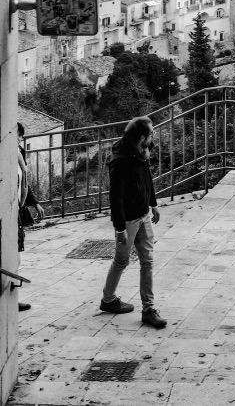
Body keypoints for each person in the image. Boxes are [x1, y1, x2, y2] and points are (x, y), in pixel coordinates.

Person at [98, 116, 164, 329]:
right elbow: (115, 197)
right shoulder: (121, 160)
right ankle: (108, 300)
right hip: (128, 220)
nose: (153, 137)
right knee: (121, 261)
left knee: (147, 260)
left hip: (143, 214)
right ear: (142, 136)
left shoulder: (141, 151)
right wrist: (119, 229)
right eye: (151, 133)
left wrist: (153, 203)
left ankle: (149, 309)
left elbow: (147, 178)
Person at [15, 123, 38, 312]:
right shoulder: (7, 153)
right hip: (11, 209)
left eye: (20, 136)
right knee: (13, 256)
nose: (19, 140)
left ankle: (12, 296)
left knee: (17, 255)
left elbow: (24, 181)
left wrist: (34, 202)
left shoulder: (19, 152)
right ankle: (11, 298)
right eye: (17, 135)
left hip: (17, 208)